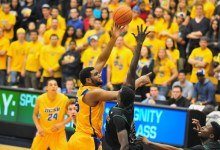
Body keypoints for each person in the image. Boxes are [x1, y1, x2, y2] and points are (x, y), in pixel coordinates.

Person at [68, 24, 150, 150]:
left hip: (78, 138)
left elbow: (101, 60)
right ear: (89, 80)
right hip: (85, 141)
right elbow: (123, 93)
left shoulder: (83, 87)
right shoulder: (94, 93)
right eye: (96, 74)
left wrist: (114, 37)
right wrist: (140, 80)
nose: (99, 74)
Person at [105, 25, 150, 150]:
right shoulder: (129, 105)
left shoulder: (118, 116)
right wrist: (139, 44)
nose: (117, 92)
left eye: (119, 92)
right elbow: (131, 70)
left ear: (119, 99)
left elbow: (124, 146)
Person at [31, 79, 72, 150]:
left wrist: (60, 124)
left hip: (58, 134)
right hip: (43, 132)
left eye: (55, 85)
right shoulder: (40, 99)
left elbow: (71, 116)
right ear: (47, 87)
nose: (53, 86)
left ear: (57, 87)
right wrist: (38, 127)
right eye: (51, 85)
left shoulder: (64, 99)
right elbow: (34, 115)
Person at [139, 119, 220, 150]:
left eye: (205, 128)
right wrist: (201, 133)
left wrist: (149, 142)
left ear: (211, 136)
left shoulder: (200, 149)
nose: (201, 128)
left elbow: (174, 149)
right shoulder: (217, 144)